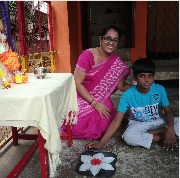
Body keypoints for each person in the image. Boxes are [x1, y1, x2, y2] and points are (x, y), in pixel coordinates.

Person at [86, 58, 179, 150]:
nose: (147, 80)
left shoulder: (159, 89)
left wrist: (170, 129)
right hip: (138, 124)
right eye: (142, 76)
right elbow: (116, 121)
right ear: (135, 78)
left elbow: (168, 111)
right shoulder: (128, 95)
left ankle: (164, 133)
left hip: (157, 121)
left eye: (150, 76)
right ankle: (164, 136)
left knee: (177, 122)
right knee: (128, 137)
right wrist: (100, 143)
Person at [62, 25, 131, 139]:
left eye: (115, 40)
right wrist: (94, 103)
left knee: (105, 120)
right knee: (78, 124)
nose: (111, 42)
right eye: (108, 38)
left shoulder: (116, 61)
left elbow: (121, 85)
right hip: (81, 95)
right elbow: (77, 83)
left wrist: (140, 87)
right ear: (101, 39)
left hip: (101, 96)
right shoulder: (87, 56)